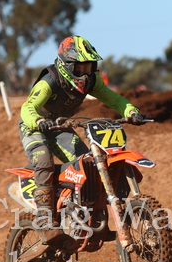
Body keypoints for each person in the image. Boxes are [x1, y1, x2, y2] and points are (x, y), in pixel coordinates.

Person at [19, 35, 146, 243]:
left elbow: (113, 99)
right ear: (66, 66)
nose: (85, 73)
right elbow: (27, 108)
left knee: (88, 165)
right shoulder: (49, 81)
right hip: (34, 127)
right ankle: (45, 220)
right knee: (43, 160)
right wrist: (38, 121)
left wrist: (131, 111)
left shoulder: (91, 81)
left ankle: (90, 219)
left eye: (89, 67)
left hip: (60, 127)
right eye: (80, 67)